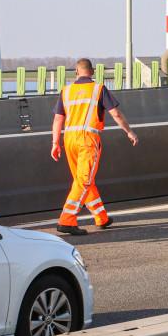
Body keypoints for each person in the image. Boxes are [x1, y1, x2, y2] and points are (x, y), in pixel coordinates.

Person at [50, 59, 139, 235]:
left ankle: (101, 217)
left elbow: (58, 119)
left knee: (82, 180)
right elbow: (116, 113)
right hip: (87, 139)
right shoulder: (98, 89)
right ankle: (66, 220)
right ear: (92, 71)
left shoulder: (66, 91)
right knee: (84, 181)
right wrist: (129, 132)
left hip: (69, 139)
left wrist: (54, 143)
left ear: (76, 71)